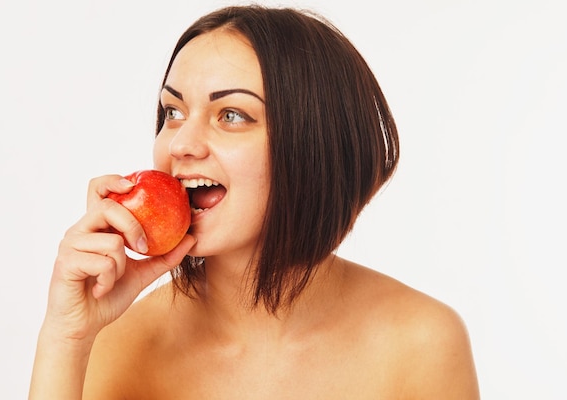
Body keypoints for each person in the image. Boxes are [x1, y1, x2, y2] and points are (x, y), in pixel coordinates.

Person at [29, 5, 479, 399]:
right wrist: (66, 338)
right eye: (173, 112)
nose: (181, 143)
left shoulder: (422, 343)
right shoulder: (118, 342)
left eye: (232, 115)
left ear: (313, 144)